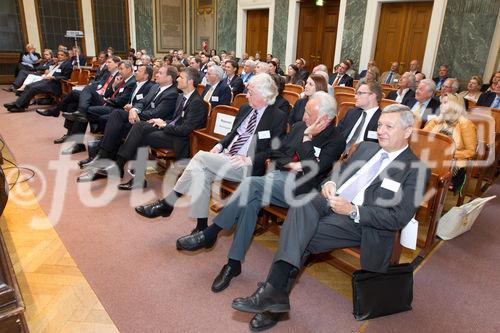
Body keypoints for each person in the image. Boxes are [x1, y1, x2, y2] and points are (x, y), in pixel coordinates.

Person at [231, 104, 430, 331]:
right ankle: (274, 297)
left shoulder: (415, 169)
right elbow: (339, 170)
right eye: (379, 125)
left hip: (361, 222)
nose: (381, 131)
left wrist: (353, 210)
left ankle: (272, 295)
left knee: (301, 233)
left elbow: (398, 218)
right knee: (302, 203)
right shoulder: (366, 148)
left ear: (407, 132)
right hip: (330, 202)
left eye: (389, 126)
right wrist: (331, 183)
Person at [176, 91, 345, 293]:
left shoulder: (336, 139)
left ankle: (212, 233)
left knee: (252, 184)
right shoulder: (299, 127)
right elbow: (277, 154)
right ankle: (233, 263)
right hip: (276, 178)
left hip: (301, 191)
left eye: (309, 113)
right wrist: (294, 164)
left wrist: (307, 139)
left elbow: (313, 171)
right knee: (250, 200)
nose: (303, 117)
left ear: (324, 119)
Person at [134, 73, 288, 233]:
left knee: (200, 157)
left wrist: (249, 159)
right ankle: (200, 227)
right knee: (202, 174)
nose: (246, 95)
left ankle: (168, 204)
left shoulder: (277, 116)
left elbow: (275, 150)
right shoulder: (245, 109)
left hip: (245, 165)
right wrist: (220, 146)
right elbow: (232, 134)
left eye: (251, 92)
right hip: (226, 156)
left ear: (264, 95)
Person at [77, 67, 208, 183]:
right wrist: (159, 121)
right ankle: (123, 168)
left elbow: (184, 129)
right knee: (136, 126)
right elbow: (175, 119)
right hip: (169, 130)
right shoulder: (182, 97)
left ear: (190, 81)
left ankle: (121, 166)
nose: (178, 79)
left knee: (138, 132)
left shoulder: (196, 102)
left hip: (179, 139)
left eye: (181, 77)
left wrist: (163, 125)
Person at [423, 93, 477, 193]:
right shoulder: (436, 120)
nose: (441, 105)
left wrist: (447, 154)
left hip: (452, 162)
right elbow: (422, 140)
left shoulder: (465, 124)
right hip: (431, 156)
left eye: (445, 103)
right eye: (441, 103)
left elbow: (470, 151)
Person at [4, 49, 72, 113]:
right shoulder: (58, 63)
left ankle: (17, 105)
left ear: (66, 57)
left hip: (55, 85)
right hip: (47, 81)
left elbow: (66, 77)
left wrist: (53, 77)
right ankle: (20, 106)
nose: (59, 56)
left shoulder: (68, 64)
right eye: (58, 54)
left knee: (33, 88)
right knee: (29, 86)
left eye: (61, 55)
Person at [337, 81, 383, 155]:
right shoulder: (351, 113)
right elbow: (337, 134)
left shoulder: (382, 120)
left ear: (372, 96)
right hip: (339, 153)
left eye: (360, 93)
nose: (355, 97)